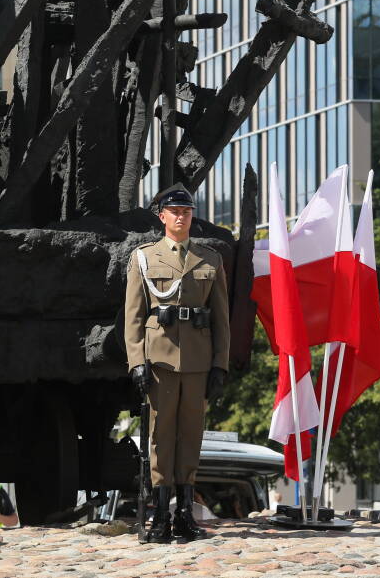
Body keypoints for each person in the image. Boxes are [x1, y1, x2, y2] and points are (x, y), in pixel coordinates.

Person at [124, 184, 230, 544]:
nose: (181, 217)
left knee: (191, 435)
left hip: (198, 361)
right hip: (160, 360)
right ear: (162, 217)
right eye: (175, 212)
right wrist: (137, 362)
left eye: (186, 211)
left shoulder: (209, 259)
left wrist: (220, 364)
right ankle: (160, 514)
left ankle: (184, 512)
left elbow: (221, 319)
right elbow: (134, 317)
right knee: (161, 436)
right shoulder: (144, 258)